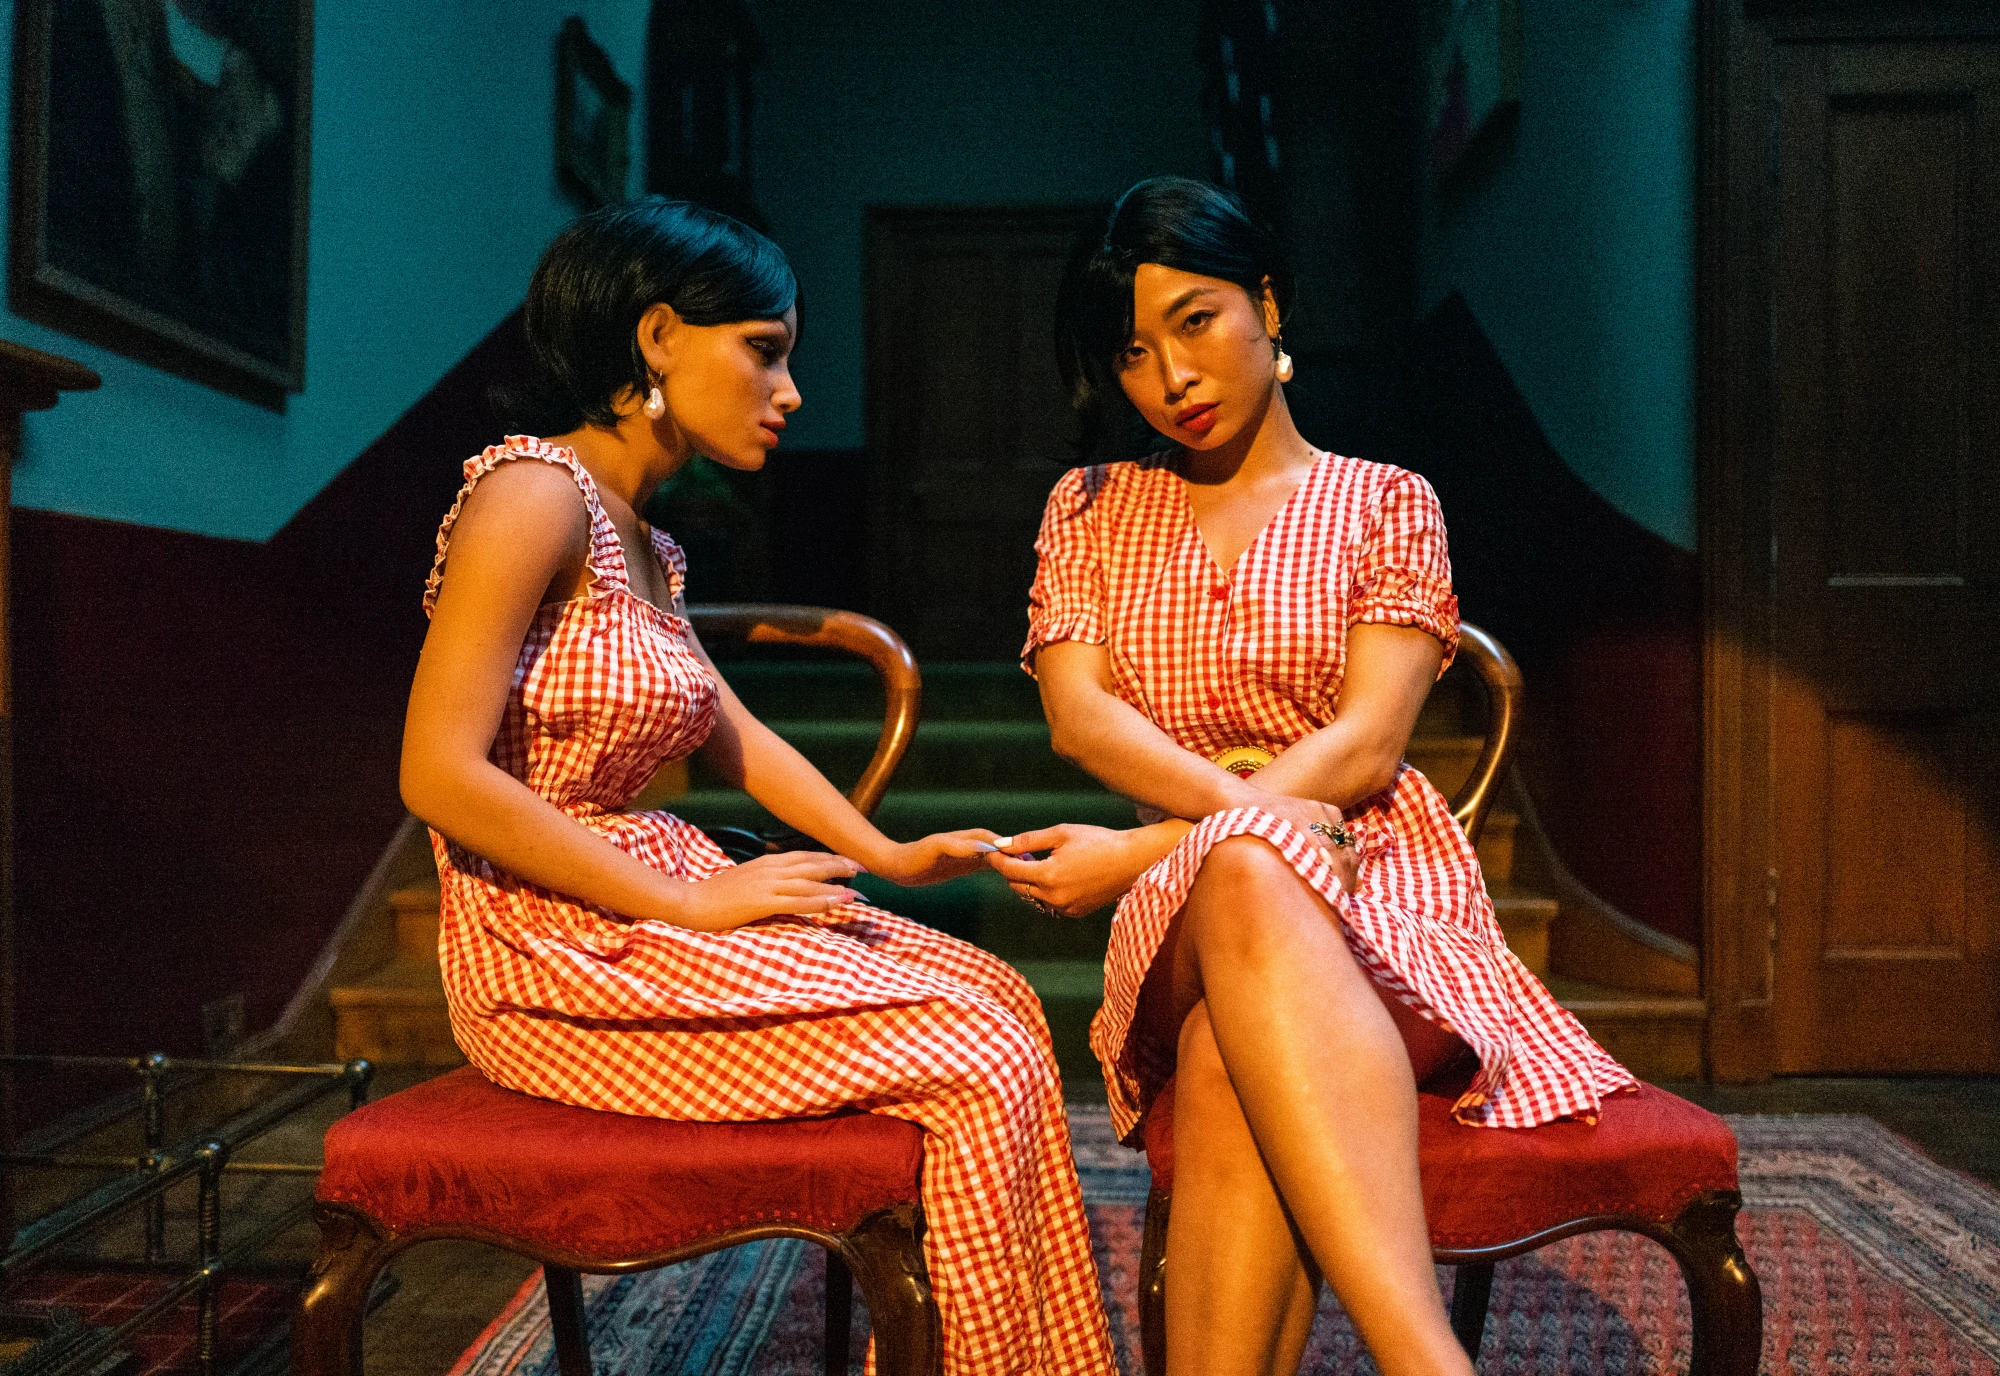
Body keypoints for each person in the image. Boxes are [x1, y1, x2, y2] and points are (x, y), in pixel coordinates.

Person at [400, 197, 1115, 1376]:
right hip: (550, 949)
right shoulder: (529, 493)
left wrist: (884, 854)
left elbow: (732, 733)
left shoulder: (644, 537)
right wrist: (683, 902)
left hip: (638, 913)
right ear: (659, 336)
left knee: (995, 994)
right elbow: (436, 770)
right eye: (765, 350)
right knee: (973, 1049)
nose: (790, 392)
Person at [990, 177, 1634, 1376]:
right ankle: (1426, 1360)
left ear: (1267, 301)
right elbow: (1079, 721)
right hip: (1195, 903)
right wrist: (1208, 846)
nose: (1172, 377)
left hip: (1383, 888)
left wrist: (1140, 845)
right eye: (1132, 352)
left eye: (1195, 321)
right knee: (1240, 869)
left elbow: (1365, 749)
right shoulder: (1088, 507)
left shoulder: (1385, 500)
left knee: (1233, 1064)